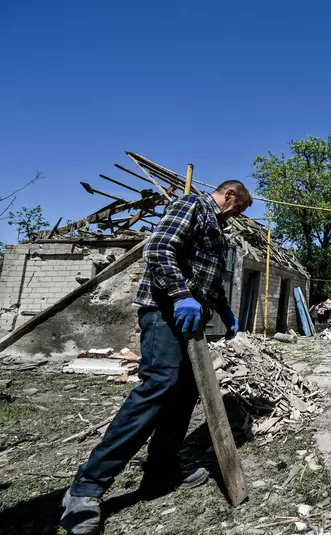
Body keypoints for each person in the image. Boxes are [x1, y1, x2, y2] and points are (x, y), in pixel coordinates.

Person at [61, 181, 253, 535]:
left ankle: (161, 471)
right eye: (237, 208)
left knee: (184, 391)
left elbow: (208, 278)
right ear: (229, 195)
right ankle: (86, 488)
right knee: (160, 384)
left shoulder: (218, 227)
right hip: (166, 311)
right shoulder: (192, 206)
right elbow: (161, 249)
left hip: (190, 318)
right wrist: (182, 295)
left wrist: (223, 309)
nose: (237, 215)